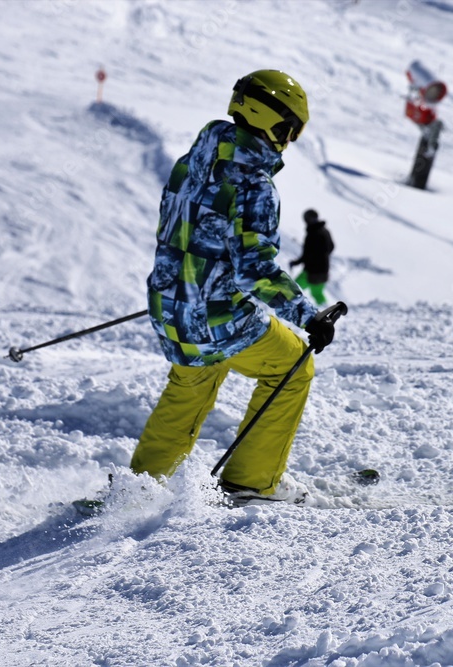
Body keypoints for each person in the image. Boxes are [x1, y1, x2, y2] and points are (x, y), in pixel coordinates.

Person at [130, 70, 335, 503]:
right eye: (290, 131)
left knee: (190, 385)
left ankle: (139, 489)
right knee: (293, 364)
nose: (289, 141)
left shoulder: (190, 162)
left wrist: (186, 286)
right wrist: (307, 315)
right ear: (273, 123)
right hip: (215, 315)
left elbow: (185, 234)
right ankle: (251, 481)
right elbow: (255, 271)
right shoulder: (254, 185)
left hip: (171, 306)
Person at [290, 209, 335, 305]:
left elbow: (307, 254)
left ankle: (284, 306)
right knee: (317, 294)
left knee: (293, 289)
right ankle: (327, 312)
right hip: (323, 270)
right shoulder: (325, 231)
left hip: (311, 271)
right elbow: (331, 247)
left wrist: (297, 262)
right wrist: (322, 258)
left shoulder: (312, 234)